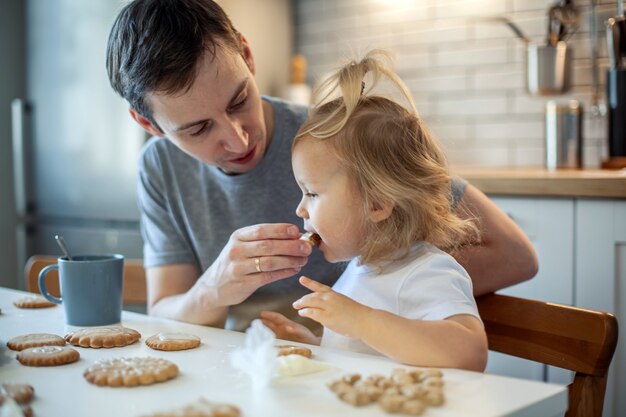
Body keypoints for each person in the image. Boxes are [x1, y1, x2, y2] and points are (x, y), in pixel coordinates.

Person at [105, 0, 537, 332]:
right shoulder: (160, 169)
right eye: (198, 129)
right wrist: (216, 286)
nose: (238, 139)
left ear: (247, 56)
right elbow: (166, 313)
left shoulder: (333, 142)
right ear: (149, 124)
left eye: (240, 100)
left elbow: (515, 256)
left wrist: (371, 294)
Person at [260, 51, 487, 370]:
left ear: (377, 203)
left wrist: (361, 320)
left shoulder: (426, 272)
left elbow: (470, 354)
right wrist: (312, 344)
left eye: (312, 193)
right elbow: (368, 356)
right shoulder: (361, 268)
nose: (300, 209)